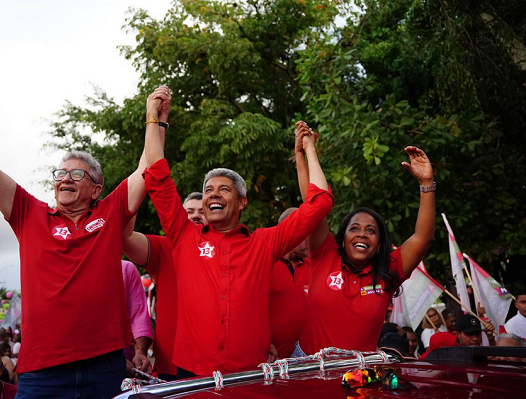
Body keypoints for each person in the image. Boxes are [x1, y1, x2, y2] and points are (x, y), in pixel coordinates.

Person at [0, 67, 168, 398]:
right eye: (60, 173)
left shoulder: (110, 213)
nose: (65, 179)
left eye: (77, 174)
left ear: (97, 189)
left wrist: (155, 120)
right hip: (42, 370)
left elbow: (149, 167)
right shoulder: (29, 214)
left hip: (104, 366)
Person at [143, 113, 333, 377]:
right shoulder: (184, 235)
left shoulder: (265, 242)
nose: (213, 194)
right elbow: (156, 175)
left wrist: (309, 149)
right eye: (209, 189)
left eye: (224, 189)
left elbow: (320, 203)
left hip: (248, 376)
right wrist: (155, 118)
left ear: (242, 202)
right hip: (191, 373)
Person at [297, 138, 436, 355]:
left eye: (371, 231)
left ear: (380, 245)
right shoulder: (326, 254)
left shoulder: (389, 269)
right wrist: (307, 151)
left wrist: (426, 184)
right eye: (354, 228)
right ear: (342, 239)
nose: (362, 233)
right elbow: (312, 203)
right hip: (309, 368)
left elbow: (422, 238)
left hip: (358, 377)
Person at [122, 192, 207, 381]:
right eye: (189, 211)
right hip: (172, 363)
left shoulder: (229, 250)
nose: (195, 215)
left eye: (202, 211)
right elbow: (125, 237)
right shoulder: (164, 248)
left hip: (215, 364)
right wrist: (138, 189)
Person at [269, 207, 311, 359]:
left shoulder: (315, 266)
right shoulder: (265, 263)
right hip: (271, 359)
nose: (311, 236)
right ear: (289, 230)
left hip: (308, 360)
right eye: (306, 230)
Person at [121, 260, 153, 373]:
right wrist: (111, 360)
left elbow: (138, 317)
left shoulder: (126, 269)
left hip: (128, 369)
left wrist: (140, 352)